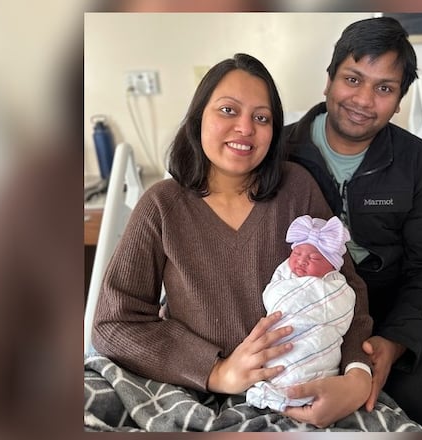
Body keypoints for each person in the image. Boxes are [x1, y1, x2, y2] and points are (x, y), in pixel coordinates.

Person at [91, 53, 374, 428]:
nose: (245, 128)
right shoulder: (161, 205)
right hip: (191, 385)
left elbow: (347, 288)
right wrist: (217, 371)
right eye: (228, 110)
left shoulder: (297, 190)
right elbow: (113, 321)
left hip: (296, 388)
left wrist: (357, 377)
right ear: (198, 119)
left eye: (262, 117)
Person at [283, 17, 422, 427]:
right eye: (353, 79)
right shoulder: (282, 153)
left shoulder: (420, 162)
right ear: (329, 80)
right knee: (420, 398)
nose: (363, 100)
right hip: (330, 297)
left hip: (411, 286)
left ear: (399, 100)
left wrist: (397, 341)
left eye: (384, 88)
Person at [246, 214, 355, 411]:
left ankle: (297, 391)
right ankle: (279, 389)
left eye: (313, 258)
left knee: (313, 360)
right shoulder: (284, 273)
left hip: (316, 345)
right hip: (283, 337)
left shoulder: (336, 286)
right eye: (296, 254)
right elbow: (271, 295)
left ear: (331, 265)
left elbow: (342, 310)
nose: (301, 261)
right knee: (278, 362)